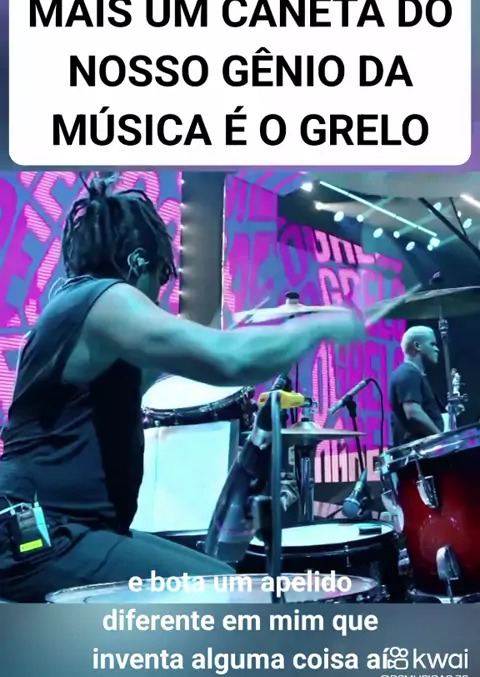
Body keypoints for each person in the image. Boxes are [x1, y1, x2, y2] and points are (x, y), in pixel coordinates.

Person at [0, 176, 363, 602]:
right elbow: (231, 361)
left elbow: (183, 357)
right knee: (227, 599)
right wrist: (319, 325)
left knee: (222, 576)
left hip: (66, 528)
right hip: (41, 534)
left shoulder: (77, 308)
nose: (158, 297)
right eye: (161, 277)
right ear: (138, 262)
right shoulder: (103, 299)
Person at [389, 326, 444, 447]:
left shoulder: (413, 373)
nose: (437, 349)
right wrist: (440, 438)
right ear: (417, 346)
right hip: (418, 451)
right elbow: (413, 412)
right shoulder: (408, 372)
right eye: (432, 344)